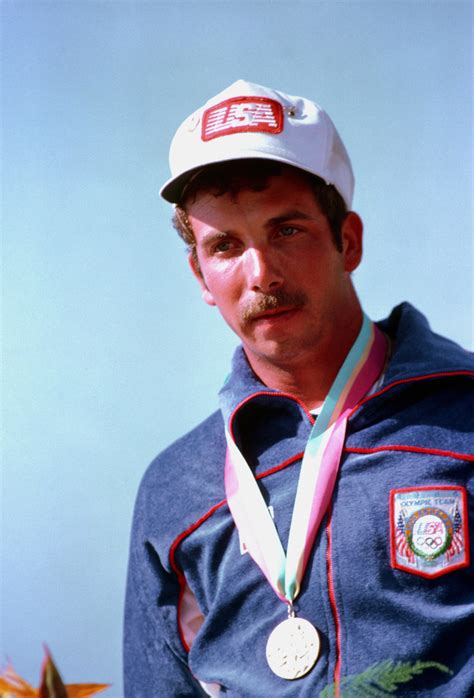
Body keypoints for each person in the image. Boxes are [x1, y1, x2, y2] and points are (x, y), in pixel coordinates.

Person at [124, 80, 473, 697]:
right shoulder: (174, 489)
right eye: (225, 246)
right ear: (200, 274)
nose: (261, 273)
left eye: (286, 231)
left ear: (348, 241)